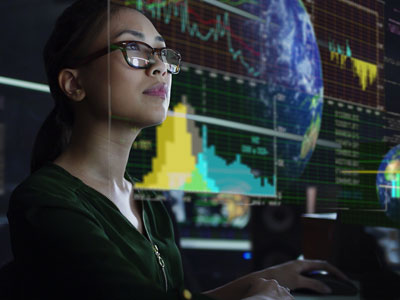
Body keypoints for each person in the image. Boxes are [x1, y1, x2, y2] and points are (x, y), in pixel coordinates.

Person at [6, 0, 348, 299]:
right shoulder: (45, 201)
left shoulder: (146, 201)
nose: (160, 68)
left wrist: (256, 282)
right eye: (135, 50)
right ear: (74, 84)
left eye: (163, 53)